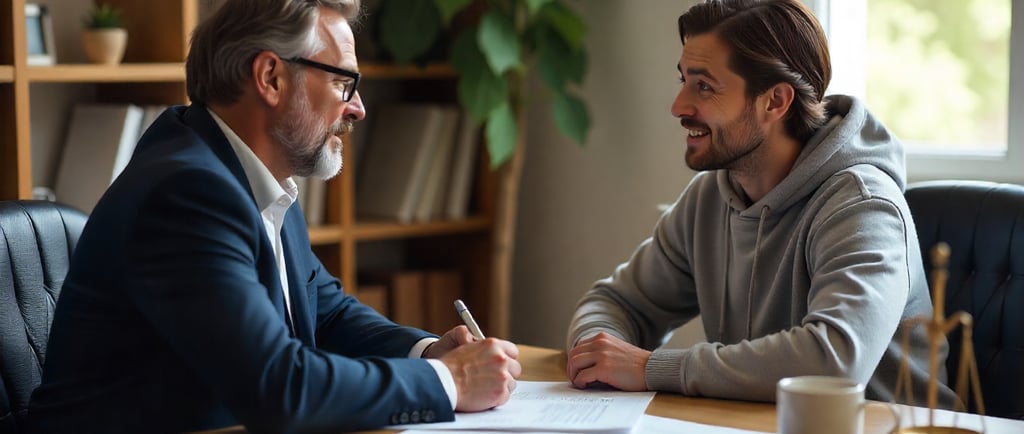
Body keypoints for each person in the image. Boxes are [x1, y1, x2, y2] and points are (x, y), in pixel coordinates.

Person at [27, 0, 520, 432]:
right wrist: (450, 381)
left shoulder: (254, 176)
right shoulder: (186, 193)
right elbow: (279, 389)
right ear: (271, 77)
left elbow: (325, 314)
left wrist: (428, 353)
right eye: (343, 81)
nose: (358, 109)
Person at [565, 0, 957, 408]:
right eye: (683, 80)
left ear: (775, 101)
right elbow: (618, 303)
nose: (678, 106)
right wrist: (597, 358)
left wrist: (651, 368)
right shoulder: (710, 197)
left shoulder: (862, 205)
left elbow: (834, 362)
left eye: (703, 86)